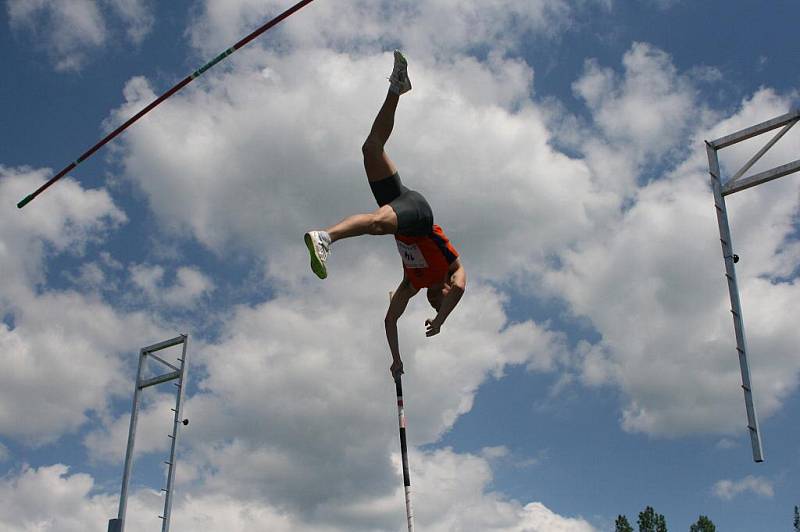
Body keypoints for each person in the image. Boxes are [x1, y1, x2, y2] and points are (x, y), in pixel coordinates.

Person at [304, 51, 466, 377]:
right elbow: (459, 288)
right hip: (418, 216)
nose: (437, 302)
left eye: (434, 305)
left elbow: (390, 319)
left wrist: (396, 358)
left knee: (371, 149)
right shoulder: (453, 269)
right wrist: (440, 320)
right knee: (379, 224)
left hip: (400, 214)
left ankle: (397, 87)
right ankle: (326, 237)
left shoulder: (412, 284)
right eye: (441, 302)